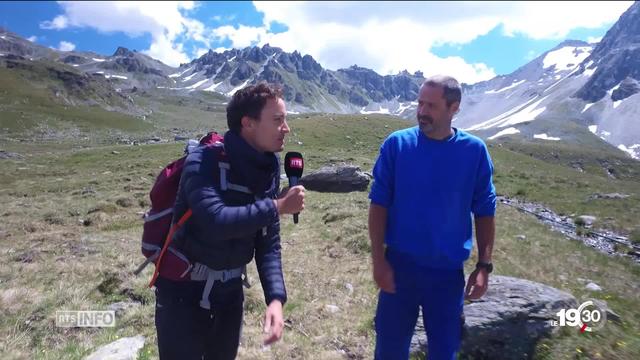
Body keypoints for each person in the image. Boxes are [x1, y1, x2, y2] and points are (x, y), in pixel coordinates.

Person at [154, 83, 305, 359]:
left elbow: (267, 242)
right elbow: (216, 220)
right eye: (277, 120)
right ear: (248, 123)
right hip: (181, 292)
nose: (287, 128)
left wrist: (275, 298)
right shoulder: (203, 161)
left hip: (230, 295)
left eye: (286, 119)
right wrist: (278, 206)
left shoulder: (267, 169)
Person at [368, 75, 496, 360]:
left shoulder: (474, 151)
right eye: (420, 103)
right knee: (389, 351)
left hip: (447, 275)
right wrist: (378, 259)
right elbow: (378, 205)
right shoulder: (396, 145)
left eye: (432, 106)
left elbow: (485, 210)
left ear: (454, 108)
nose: (422, 112)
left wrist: (483, 266)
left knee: (444, 352)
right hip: (399, 268)